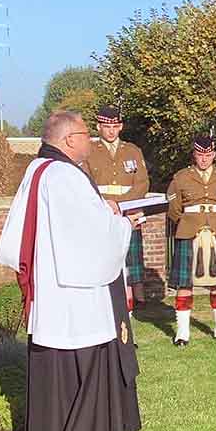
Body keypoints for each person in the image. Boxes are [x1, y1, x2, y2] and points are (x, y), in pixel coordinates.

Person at [0, 110, 141, 431]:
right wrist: (123, 223)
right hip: (76, 291)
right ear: (68, 140)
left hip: (55, 285)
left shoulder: (38, 170)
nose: (90, 140)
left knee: (57, 371)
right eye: (85, 133)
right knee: (85, 365)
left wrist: (104, 210)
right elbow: (90, 234)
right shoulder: (64, 176)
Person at [166, 135, 216, 346]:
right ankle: (182, 332)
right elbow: (174, 208)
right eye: (200, 155)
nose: (204, 159)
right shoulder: (181, 177)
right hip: (189, 232)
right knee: (185, 283)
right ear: (194, 155)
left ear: (214, 155)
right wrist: (189, 222)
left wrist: (215, 222)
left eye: (208, 155)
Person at [82, 105, 150, 311]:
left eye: (115, 126)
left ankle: (129, 312)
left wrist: (121, 204)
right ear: (98, 127)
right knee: (104, 264)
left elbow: (142, 183)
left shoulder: (132, 151)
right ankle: (104, 305)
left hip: (129, 215)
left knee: (130, 264)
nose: (111, 131)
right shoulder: (89, 150)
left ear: (121, 126)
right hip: (102, 217)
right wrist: (106, 204)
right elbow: (85, 183)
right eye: (106, 126)